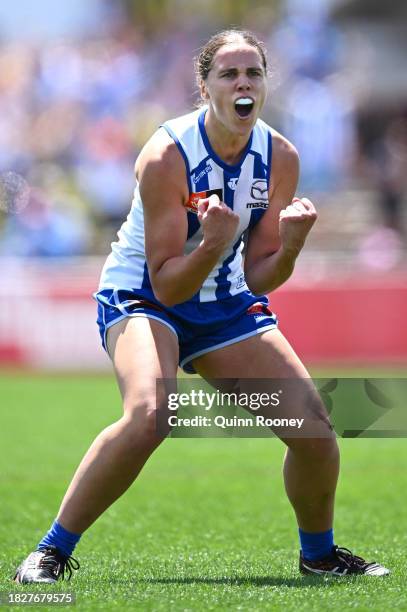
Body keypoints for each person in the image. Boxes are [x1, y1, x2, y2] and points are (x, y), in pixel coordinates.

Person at [14, 29, 389, 583]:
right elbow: (165, 286)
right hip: (145, 296)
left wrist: (291, 244)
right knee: (151, 415)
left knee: (314, 431)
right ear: (205, 85)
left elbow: (262, 275)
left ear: (264, 85)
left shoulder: (279, 156)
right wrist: (214, 243)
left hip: (223, 301)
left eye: (253, 74)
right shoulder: (166, 155)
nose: (243, 84)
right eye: (229, 74)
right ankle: (50, 551)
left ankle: (319, 555)